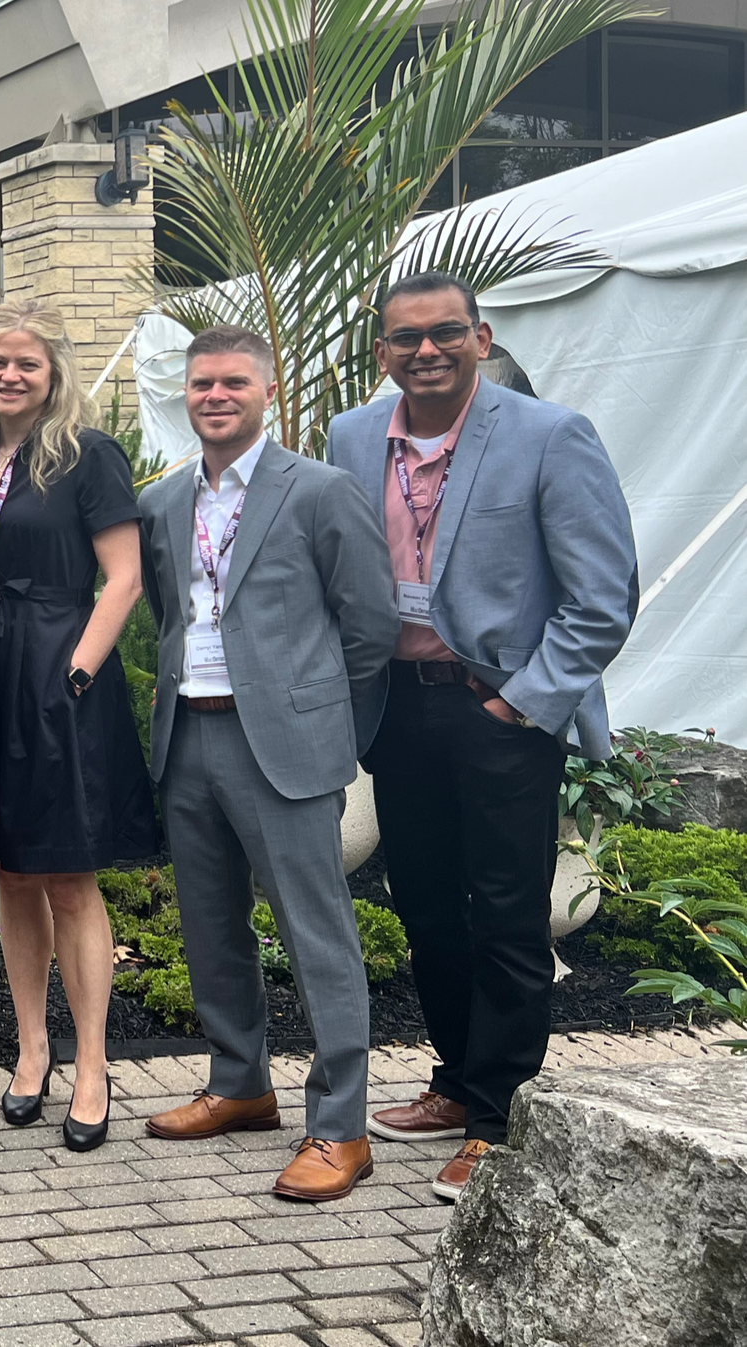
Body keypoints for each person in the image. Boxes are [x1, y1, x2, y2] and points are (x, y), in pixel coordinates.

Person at [330, 272, 637, 1202]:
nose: (426, 350)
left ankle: (500, 1119)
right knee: (425, 906)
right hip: (398, 707)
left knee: (507, 914)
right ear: (382, 351)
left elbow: (602, 597)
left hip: (500, 708)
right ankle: (459, 1081)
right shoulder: (352, 437)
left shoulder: (551, 435)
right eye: (406, 337)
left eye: (446, 332)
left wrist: (522, 703)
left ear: (481, 336)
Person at [136, 325, 399, 1203]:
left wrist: (328, 728)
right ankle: (240, 1082)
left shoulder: (321, 491)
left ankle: (342, 1126)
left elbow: (369, 625)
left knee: (316, 931)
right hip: (189, 735)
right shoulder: (162, 502)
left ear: (269, 389)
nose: (216, 396)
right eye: (202, 383)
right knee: (210, 924)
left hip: (285, 745)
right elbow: (172, 614)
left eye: (234, 382)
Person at [0, 300, 157, 1153]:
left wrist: (77, 674)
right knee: (15, 875)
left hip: (59, 675)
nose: (10, 375)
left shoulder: (88, 454)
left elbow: (124, 578)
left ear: (53, 371)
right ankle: (32, 1049)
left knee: (68, 877)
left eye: (26, 362)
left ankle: (93, 1064)